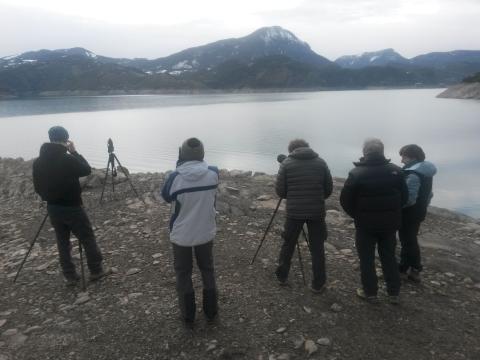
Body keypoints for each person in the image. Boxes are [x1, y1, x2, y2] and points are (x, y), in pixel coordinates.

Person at [32, 126, 109, 286]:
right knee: (87, 238)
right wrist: (74, 152)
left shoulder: (38, 161)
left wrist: (48, 197)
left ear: (50, 138)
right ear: (66, 139)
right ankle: (96, 270)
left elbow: (37, 186)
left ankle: (70, 276)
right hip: (72, 206)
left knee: (62, 241)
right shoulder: (66, 158)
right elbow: (86, 170)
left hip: (52, 208)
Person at [340, 138, 408, 304]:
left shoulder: (356, 173)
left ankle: (370, 292)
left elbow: (345, 200)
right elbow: (404, 197)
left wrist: (357, 215)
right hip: (390, 225)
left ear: (364, 153)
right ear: (382, 151)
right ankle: (394, 293)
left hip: (365, 225)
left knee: (367, 259)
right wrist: (393, 213)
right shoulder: (396, 171)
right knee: (389, 257)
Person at [161, 137, 219, 326]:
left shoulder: (175, 177)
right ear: (202, 153)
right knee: (207, 270)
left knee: (183, 273)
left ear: (181, 154)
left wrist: (179, 165)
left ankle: (188, 315)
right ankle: (211, 312)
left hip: (182, 234)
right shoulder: (213, 173)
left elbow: (166, 196)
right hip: (205, 231)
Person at [275, 139, 333, 293]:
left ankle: (282, 277)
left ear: (291, 150)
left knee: (288, 244)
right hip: (316, 212)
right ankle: (318, 284)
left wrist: (294, 195)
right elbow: (328, 189)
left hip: (294, 212)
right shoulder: (321, 162)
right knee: (317, 247)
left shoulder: (287, 164)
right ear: (307, 147)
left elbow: (280, 191)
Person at [398, 144, 437, 283]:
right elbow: (429, 194)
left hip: (409, 213)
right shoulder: (425, 171)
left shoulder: (413, 173)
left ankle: (408, 269)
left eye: (403, 156)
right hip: (419, 212)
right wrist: (423, 207)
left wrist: (397, 207)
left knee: (407, 241)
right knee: (410, 239)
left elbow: (409, 199)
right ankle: (410, 268)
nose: (402, 160)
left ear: (412, 156)